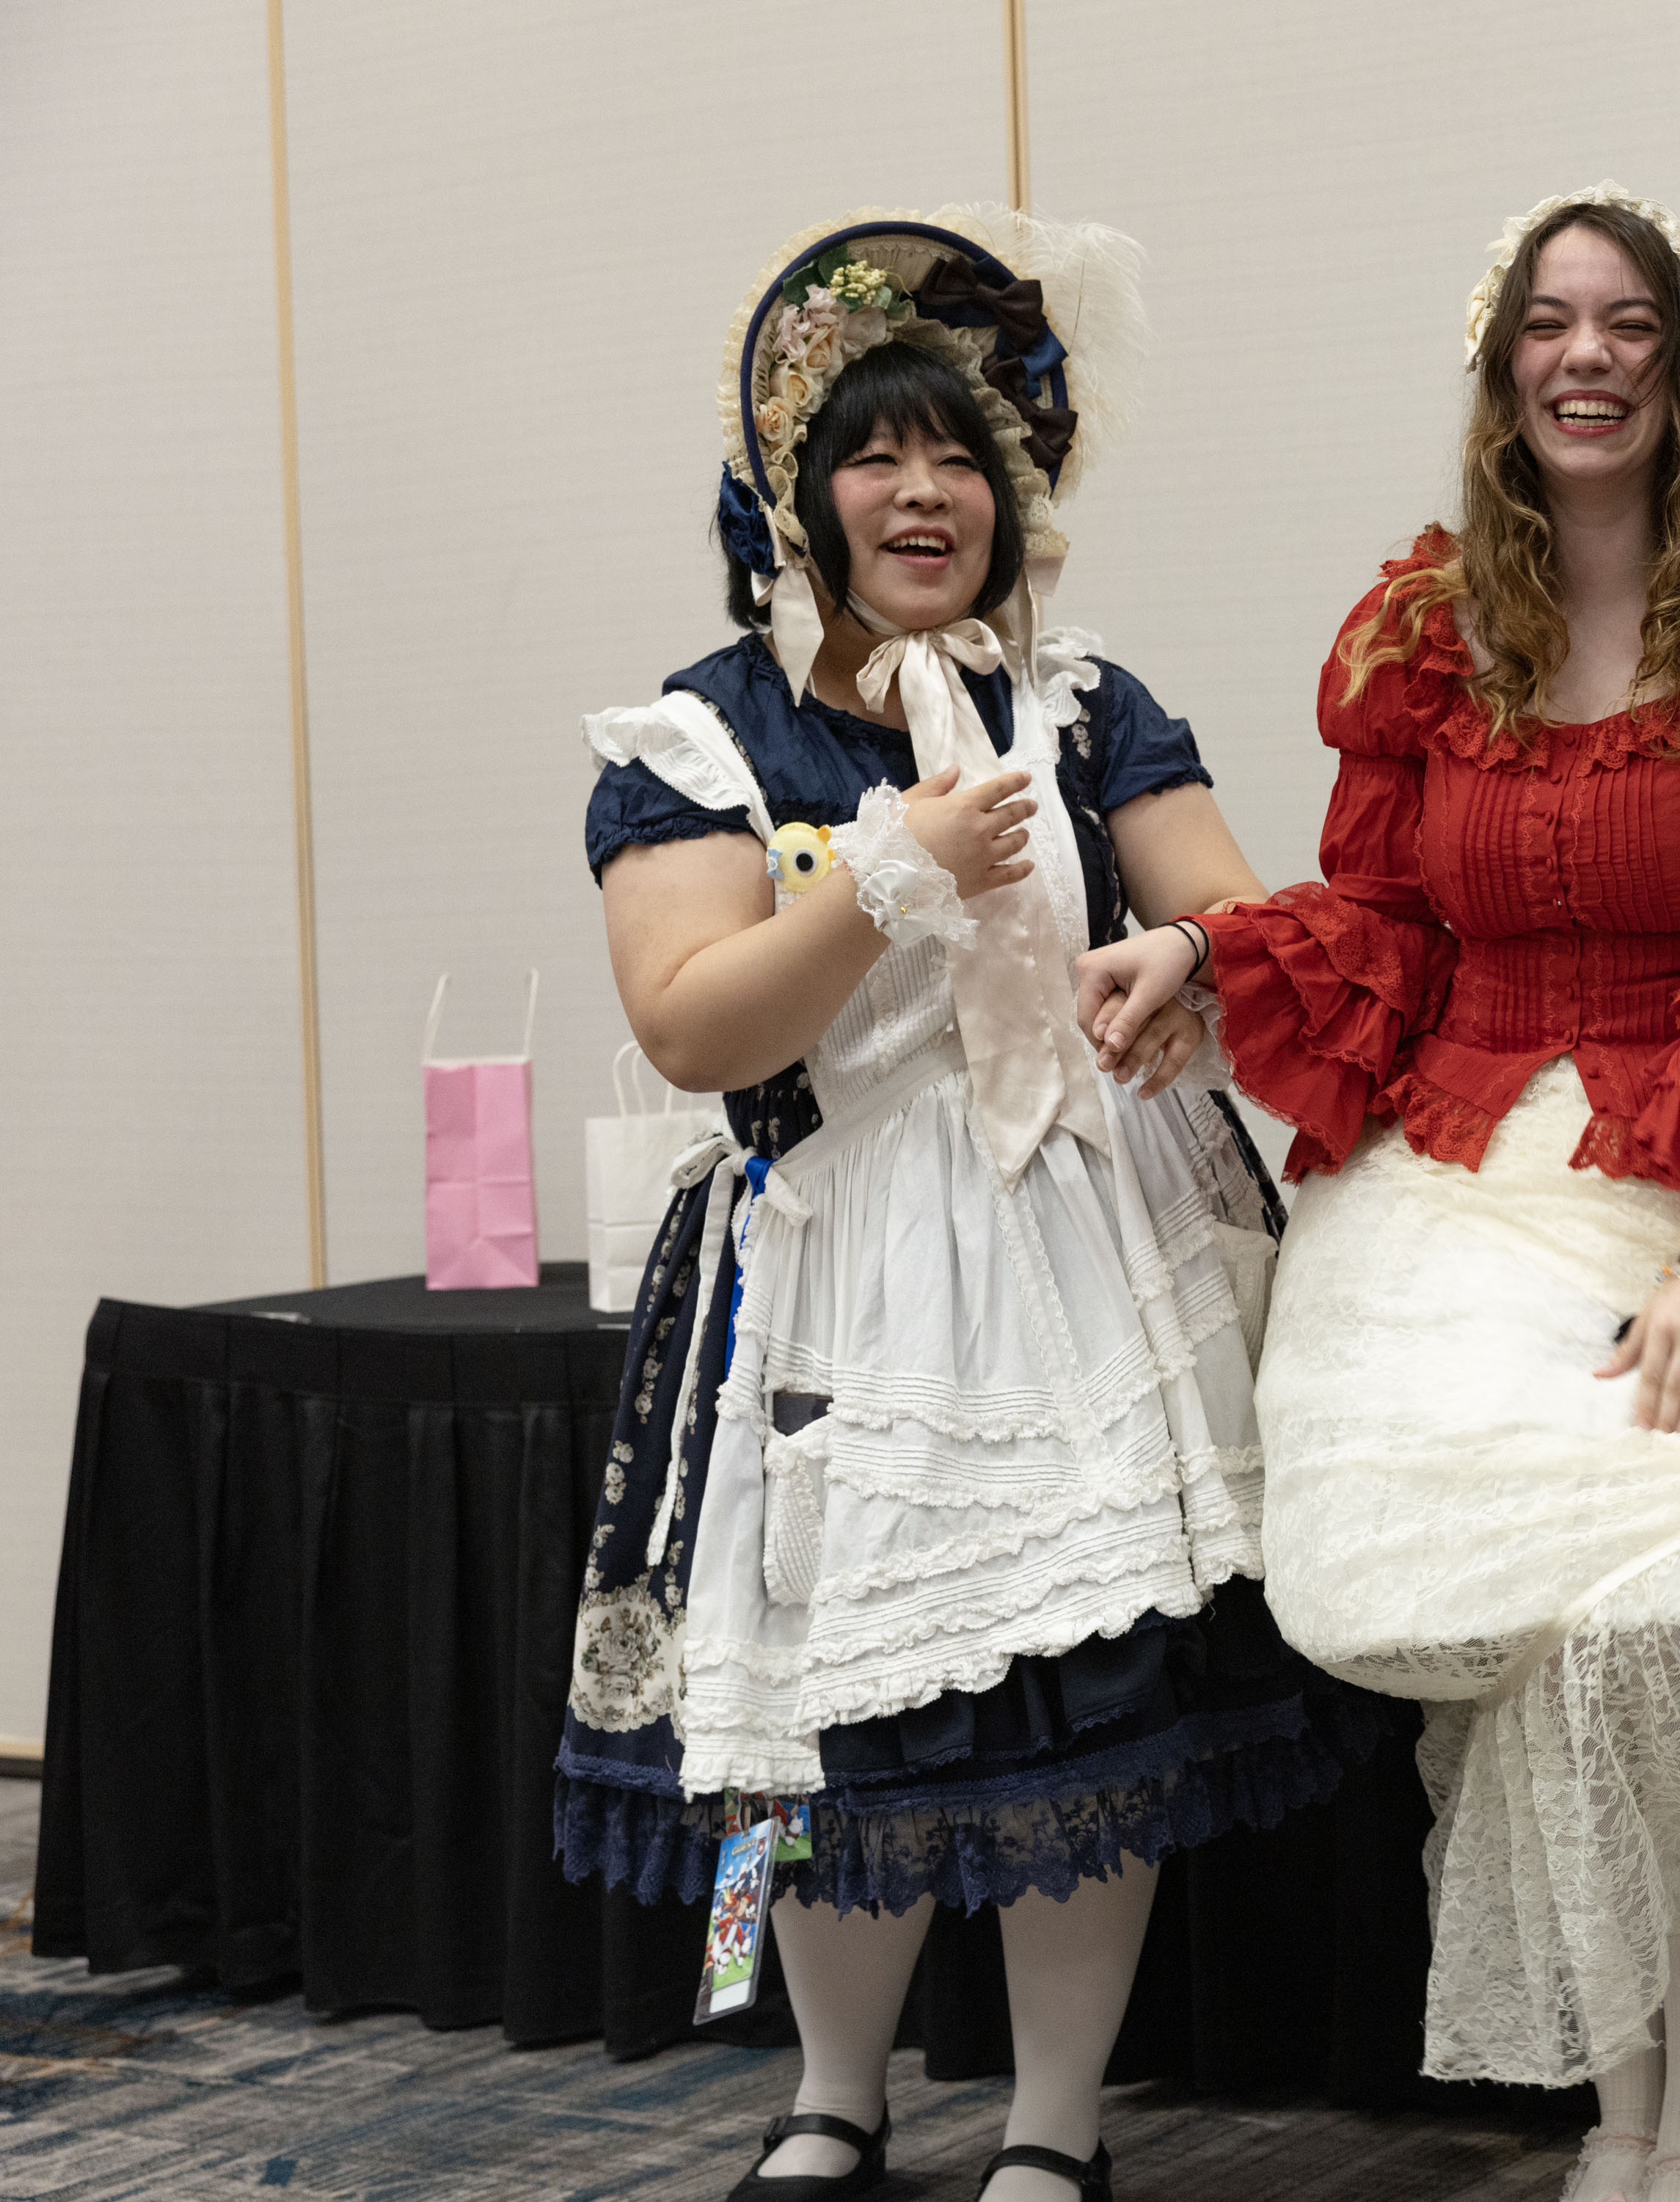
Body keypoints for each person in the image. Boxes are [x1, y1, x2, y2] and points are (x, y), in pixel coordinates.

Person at [1075, 184, 1680, 2202]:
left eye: (1628, 324)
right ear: (1503, 370)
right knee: (1550, 1655)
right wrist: (1207, 957)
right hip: (1478, 1172)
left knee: (1678, 1618)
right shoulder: (1426, 632)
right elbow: (1386, 923)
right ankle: (1626, 2125)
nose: (1587, 358)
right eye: (1548, 325)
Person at [550, 204, 1369, 2202]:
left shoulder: (1084, 705)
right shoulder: (707, 732)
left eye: (961, 457)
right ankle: (835, 2093)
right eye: (875, 455)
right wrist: (890, 873)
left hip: (1081, 1238)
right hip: (833, 1257)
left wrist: (1195, 961)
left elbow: (1256, 915)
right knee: (828, 1706)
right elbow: (691, 1021)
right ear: (796, 495)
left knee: (1083, 1705)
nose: (924, 493)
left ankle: (1056, 2126)